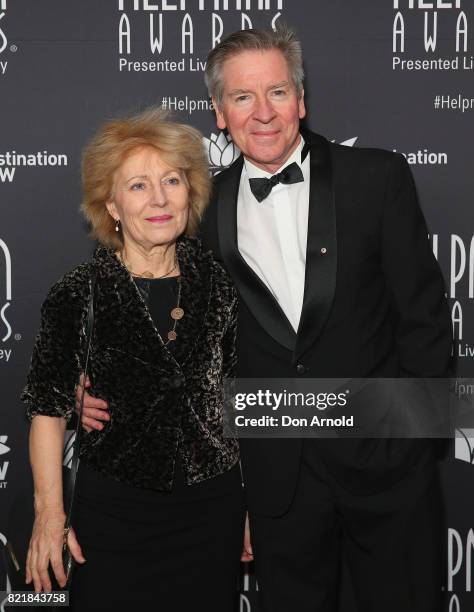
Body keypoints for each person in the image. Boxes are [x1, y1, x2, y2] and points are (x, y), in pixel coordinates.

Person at [79, 26, 453, 612]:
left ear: (301, 100)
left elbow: (426, 322)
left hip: (388, 475)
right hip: (278, 485)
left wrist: (411, 447)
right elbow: (175, 340)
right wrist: (87, 389)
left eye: (277, 92)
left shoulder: (377, 178)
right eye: (242, 97)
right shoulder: (198, 212)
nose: (263, 113)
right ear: (219, 113)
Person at [21, 107, 245, 611]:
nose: (160, 198)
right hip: (113, 516)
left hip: (212, 510)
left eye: (171, 180)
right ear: (113, 207)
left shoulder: (219, 285)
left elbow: (237, 401)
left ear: (191, 194)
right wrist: (49, 515)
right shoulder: (78, 294)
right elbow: (48, 410)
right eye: (138, 186)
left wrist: (252, 506)